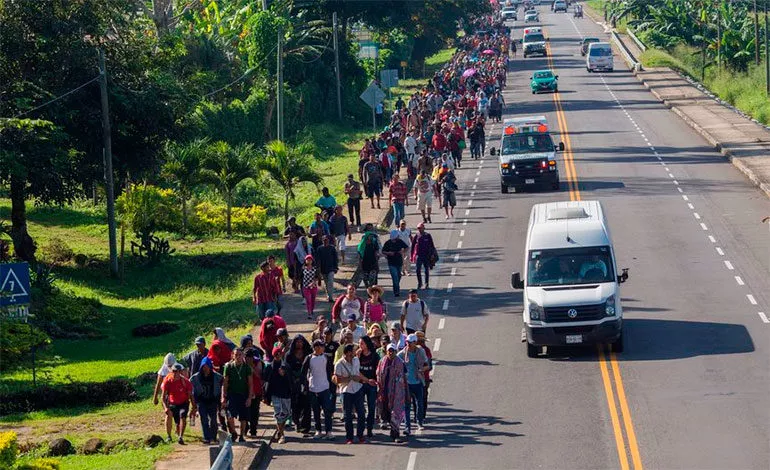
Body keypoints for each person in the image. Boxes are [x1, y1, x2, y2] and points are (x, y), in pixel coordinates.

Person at [333, 344, 372, 444]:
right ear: (347, 352)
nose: (354, 353)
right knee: (348, 416)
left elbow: (358, 373)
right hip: (346, 391)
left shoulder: (356, 360)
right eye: (353, 351)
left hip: (357, 389)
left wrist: (367, 380)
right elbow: (337, 380)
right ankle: (349, 437)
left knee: (361, 414)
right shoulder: (339, 364)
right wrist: (350, 378)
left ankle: (360, 435)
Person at [302, 339, 335, 439]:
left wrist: (332, 387)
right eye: (320, 346)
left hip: (325, 387)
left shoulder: (326, 357)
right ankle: (318, 430)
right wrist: (305, 386)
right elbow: (303, 373)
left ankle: (328, 431)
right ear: (316, 347)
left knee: (327, 411)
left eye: (323, 346)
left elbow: (330, 372)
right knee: (316, 412)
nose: (323, 348)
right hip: (313, 388)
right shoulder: (309, 358)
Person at [397, 334, 429, 434]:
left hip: (418, 382)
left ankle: (419, 422)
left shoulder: (421, 352)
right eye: (407, 342)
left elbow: (427, 365)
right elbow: (396, 361)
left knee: (419, 403)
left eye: (410, 342)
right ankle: (407, 427)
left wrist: (421, 369)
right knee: (407, 405)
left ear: (415, 343)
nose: (408, 344)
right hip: (407, 384)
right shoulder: (402, 354)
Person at [377, 343, 408, 443]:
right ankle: (391, 429)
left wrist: (407, 393)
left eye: (393, 351)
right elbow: (378, 374)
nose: (391, 353)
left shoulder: (400, 363)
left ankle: (396, 433)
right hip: (384, 391)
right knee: (386, 411)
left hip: (397, 392)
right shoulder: (382, 361)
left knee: (396, 412)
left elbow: (403, 378)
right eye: (389, 351)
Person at [222, 347, 253, 442]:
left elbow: (250, 384)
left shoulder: (247, 367)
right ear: (233, 356)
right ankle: (234, 432)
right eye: (236, 355)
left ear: (243, 356)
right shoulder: (229, 367)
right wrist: (223, 396)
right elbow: (225, 382)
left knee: (243, 417)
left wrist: (249, 398)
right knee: (230, 415)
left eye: (240, 355)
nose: (238, 357)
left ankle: (242, 435)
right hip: (232, 394)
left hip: (243, 394)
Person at [190, 357, 222, 445]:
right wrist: (194, 404)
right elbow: (191, 386)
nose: (205, 368)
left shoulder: (216, 376)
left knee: (214, 420)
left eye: (207, 366)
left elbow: (222, 382)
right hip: (202, 401)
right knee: (204, 420)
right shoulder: (196, 377)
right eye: (203, 366)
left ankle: (213, 437)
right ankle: (206, 437)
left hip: (212, 401)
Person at [263, 347, 292, 444]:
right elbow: (265, 381)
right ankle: (282, 434)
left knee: (286, 414)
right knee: (279, 414)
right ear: (273, 355)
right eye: (276, 354)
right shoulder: (269, 367)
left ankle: (280, 431)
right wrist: (265, 396)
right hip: (275, 394)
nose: (278, 356)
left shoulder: (286, 366)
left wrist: (284, 375)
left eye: (279, 354)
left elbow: (291, 380)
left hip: (286, 394)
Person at [286, 335, 313, 436]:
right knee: (295, 406)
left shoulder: (308, 354)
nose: (299, 343)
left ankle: (305, 428)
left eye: (301, 341)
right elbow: (287, 368)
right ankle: (297, 423)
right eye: (297, 342)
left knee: (306, 406)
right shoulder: (289, 355)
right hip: (293, 384)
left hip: (306, 382)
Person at [161, 362, 193, 444]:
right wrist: (165, 408)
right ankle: (169, 436)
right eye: (174, 371)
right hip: (172, 403)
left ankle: (181, 437)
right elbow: (163, 397)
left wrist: (194, 407)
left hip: (183, 403)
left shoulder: (186, 382)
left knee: (183, 416)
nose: (176, 373)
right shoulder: (168, 381)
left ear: (180, 372)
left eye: (177, 371)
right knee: (169, 415)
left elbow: (190, 395)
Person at [357, 336, 380, 438]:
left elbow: (378, 370)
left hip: (372, 385)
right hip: (361, 384)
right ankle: (360, 429)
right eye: (359, 343)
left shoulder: (374, 356)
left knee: (371, 408)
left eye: (362, 343)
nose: (360, 345)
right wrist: (356, 356)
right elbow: (355, 370)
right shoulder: (358, 355)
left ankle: (369, 429)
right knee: (360, 409)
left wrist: (376, 382)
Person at [153, 354, 177, 441]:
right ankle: (169, 435)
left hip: (177, 395)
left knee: (177, 414)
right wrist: (155, 397)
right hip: (166, 396)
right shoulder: (162, 371)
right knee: (169, 414)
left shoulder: (179, 368)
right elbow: (158, 384)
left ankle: (178, 431)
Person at [382, 230, 409, 297]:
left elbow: (407, 247)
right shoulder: (388, 243)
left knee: (398, 276)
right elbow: (383, 251)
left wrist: (402, 251)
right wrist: (388, 253)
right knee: (395, 277)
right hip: (391, 262)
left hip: (399, 262)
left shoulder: (399, 241)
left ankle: (396, 285)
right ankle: (396, 291)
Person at [244, 348, 264, 437]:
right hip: (244, 391)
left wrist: (252, 367)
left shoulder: (258, 362)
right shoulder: (241, 363)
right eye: (246, 357)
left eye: (249, 357)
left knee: (254, 412)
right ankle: (245, 428)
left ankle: (253, 430)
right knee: (245, 411)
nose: (247, 359)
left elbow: (259, 375)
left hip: (256, 391)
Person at [411, 222, 436, 290]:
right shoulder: (416, 236)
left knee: (426, 270)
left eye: (420, 228)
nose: (419, 229)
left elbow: (432, 245)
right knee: (417, 270)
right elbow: (413, 246)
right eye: (418, 228)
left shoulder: (428, 235)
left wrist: (432, 255)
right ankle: (420, 283)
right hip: (419, 256)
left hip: (426, 255)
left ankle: (426, 283)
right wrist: (412, 256)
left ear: (423, 228)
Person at [415, 331, 433, 422]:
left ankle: (422, 415)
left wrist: (422, 369)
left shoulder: (426, 350)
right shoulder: (410, 350)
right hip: (413, 378)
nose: (422, 343)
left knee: (423, 397)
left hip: (424, 378)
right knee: (415, 398)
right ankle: (417, 415)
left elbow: (429, 365)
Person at [315, 235, 339, 303]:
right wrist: (318, 269)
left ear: (328, 240)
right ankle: (328, 295)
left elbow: (335, 258)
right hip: (323, 269)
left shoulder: (332, 248)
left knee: (330, 282)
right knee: (326, 283)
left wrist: (336, 267)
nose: (325, 241)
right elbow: (318, 260)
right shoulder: (319, 249)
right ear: (322, 241)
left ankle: (330, 297)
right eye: (324, 240)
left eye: (326, 240)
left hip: (331, 268)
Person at [300, 254, 322, 320]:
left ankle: (312, 311)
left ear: (312, 261)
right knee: (308, 300)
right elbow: (301, 277)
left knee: (313, 300)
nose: (309, 261)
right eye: (307, 260)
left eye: (310, 260)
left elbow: (318, 276)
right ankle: (309, 313)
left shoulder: (315, 268)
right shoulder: (303, 269)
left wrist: (314, 282)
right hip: (305, 287)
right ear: (305, 261)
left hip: (313, 286)